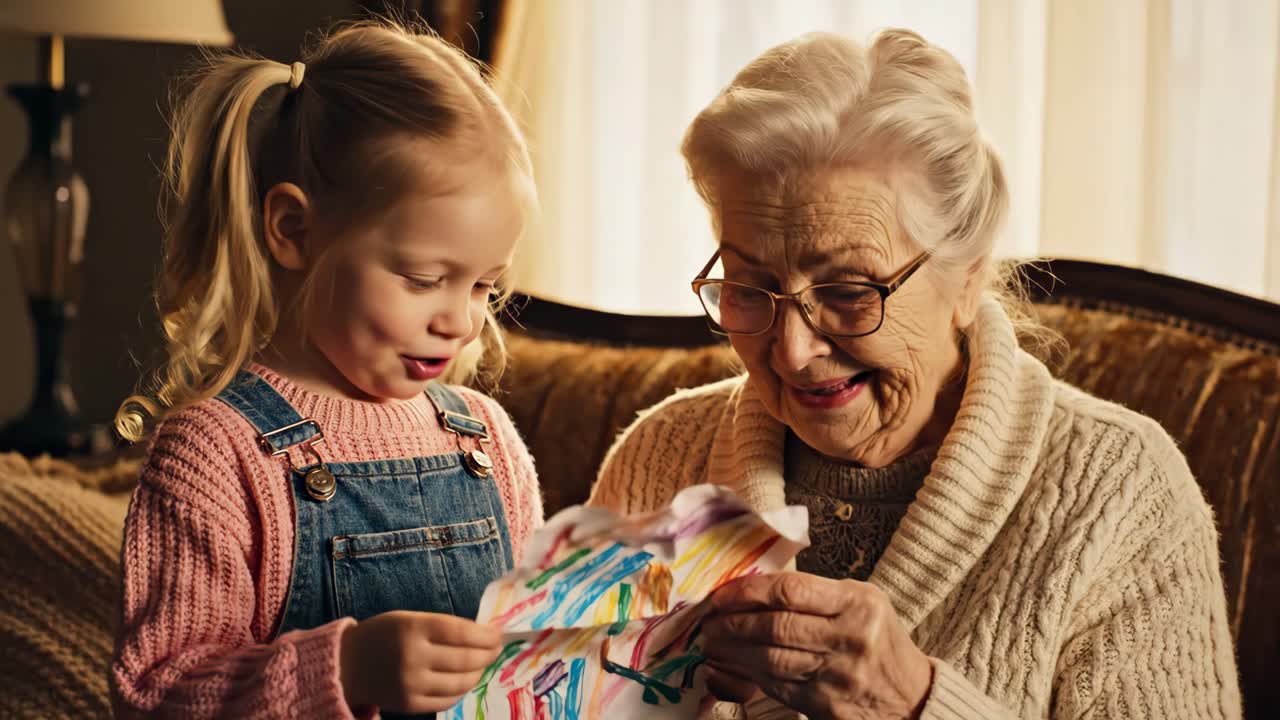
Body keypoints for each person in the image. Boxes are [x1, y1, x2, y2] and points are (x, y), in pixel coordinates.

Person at [589, 29, 1242, 719]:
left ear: (967, 277)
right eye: (751, 288)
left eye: (847, 291)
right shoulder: (663, 457)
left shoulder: (1119, 495)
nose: (791, 352)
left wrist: (911, 705)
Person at [110, 20, 543, 719]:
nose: (459, 321)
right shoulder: (215, 454)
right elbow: (158, 694)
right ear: (292, 230)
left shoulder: (487, 443)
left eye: (483, 286)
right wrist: (344, 669)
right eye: (424, 277)